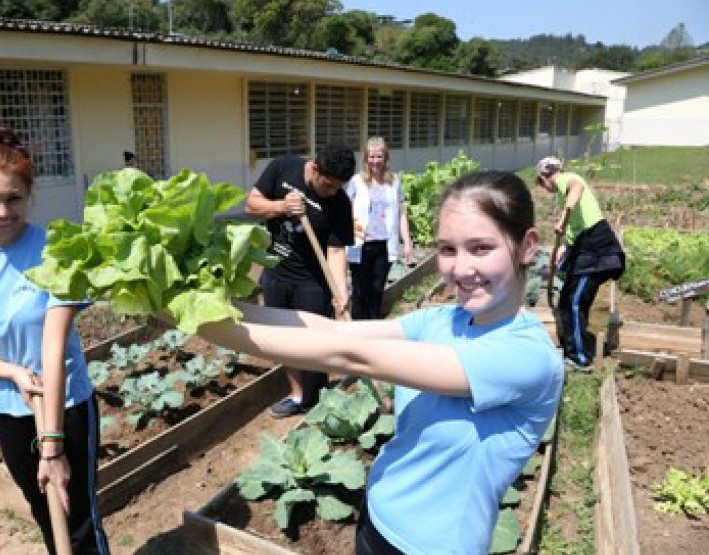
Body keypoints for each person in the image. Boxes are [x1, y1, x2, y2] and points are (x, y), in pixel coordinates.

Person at [193, 170, 564, 554]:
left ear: (526, 246)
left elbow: (354, 356)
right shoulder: (440, 319)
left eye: (481, 248)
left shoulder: (527, 357)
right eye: (448, 250)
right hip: (376, 517)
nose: (460, 268)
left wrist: (218, 332)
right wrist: (207, 310)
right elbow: (334, 332)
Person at [0, 127, 110, 555]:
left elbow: (52, 346)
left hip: (64, 406)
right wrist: (9, 370)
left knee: (78, 517)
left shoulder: (58, 250)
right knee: (44, 511)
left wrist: (53, 443)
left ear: (29, 195)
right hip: (7, 408)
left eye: (14, 198)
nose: (3, 211)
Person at [245, 143, 356, 418]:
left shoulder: (339, 202)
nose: (332, 192)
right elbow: (251, 206)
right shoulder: (283, 168)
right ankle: (296, 395)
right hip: (275, 271)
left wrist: (339, 289)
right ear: (315, 168)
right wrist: (282, 206)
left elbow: (336, 249)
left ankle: (315, 399)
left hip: (312, 282)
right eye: (328, 185)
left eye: (338, 187)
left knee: (313, 343)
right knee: (285, 341)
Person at [535, 156, 625, 369]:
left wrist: (563, 214)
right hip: (585, 249)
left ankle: (579, 358)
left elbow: (577, 188)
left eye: (541, 183)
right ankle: (578, 347)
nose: (544, 188)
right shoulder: (562, 191)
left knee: (574, 303)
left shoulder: (568, 180)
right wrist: (565, 248)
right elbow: (576, 230)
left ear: (543, 177)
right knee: (569, 300)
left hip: (596, 251)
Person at [345, 136, 413, 320]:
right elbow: (346, 211)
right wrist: (351, 234)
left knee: (377, 290)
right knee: (360, 291)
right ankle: (358, 330)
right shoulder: (357, 181)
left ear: (385, 158)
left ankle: (374, 328)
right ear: (366, 158)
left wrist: (407, 242)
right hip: (361, 244)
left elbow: (401, 214)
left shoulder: (394, 181)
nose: (375, 161)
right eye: (371, 157)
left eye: (379, 157)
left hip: (385, 244)